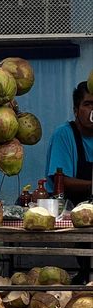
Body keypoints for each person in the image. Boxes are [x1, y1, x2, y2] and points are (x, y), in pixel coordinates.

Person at [45, 80, 93, 283]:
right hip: (69, 210)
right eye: (88, 104)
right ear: (76, 110)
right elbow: (60, 180)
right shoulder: (64, 134)